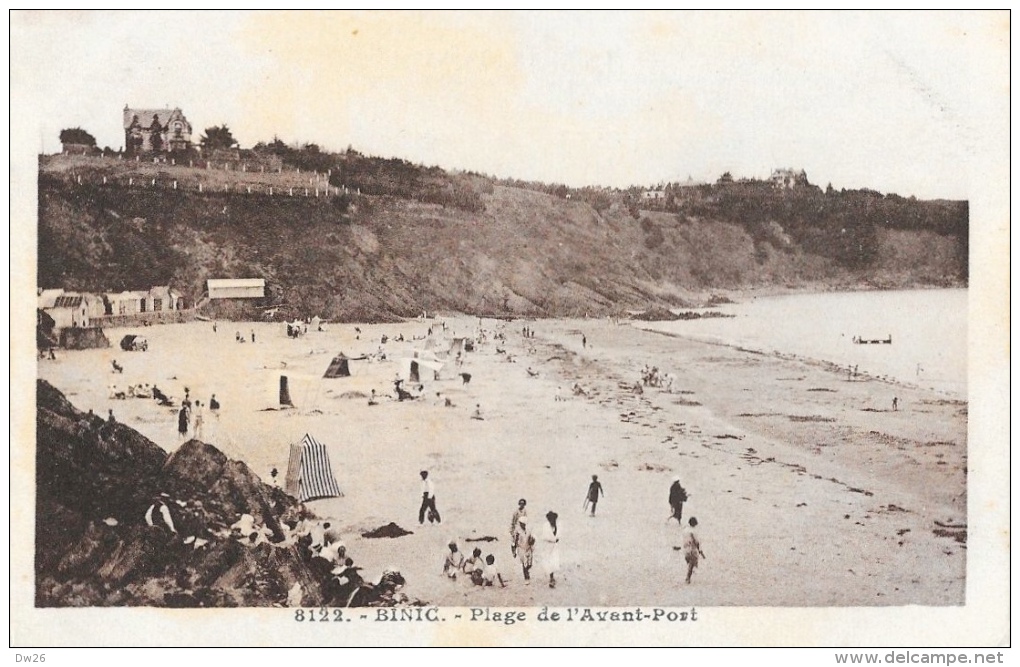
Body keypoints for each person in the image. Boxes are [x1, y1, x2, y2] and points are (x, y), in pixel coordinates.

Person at [680, 517, 706, 584]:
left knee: (689, 562)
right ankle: (688, 578)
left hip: (685, 548)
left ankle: (690, 573)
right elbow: (696, 541)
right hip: (692, 548)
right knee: (692, 563)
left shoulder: (685, 529)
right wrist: (700, 551)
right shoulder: (693, 531)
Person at [539, 511, 561, 588]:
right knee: (548, 561)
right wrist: (553, 539)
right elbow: (544, 537)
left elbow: (559, 534)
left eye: (553, 519)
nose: (552, 521)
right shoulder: (545, 526)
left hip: (554, 546)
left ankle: (552, 577)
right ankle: (551, 577)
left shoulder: (557, 525)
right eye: (550, 519)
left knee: (554, 561)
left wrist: (556, 539)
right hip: (547, 546)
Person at [513, 517, 535, 582]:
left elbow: (531, 538)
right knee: (524, 563)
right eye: (521, 523)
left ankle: (527, 571)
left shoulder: (528, 530)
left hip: (528, 548)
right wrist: (514, 551)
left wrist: (532, 541)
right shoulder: (517, 531)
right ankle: (526, 578)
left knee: (530, 564)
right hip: (521, 548)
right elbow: (514, 541)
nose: (522, 525)